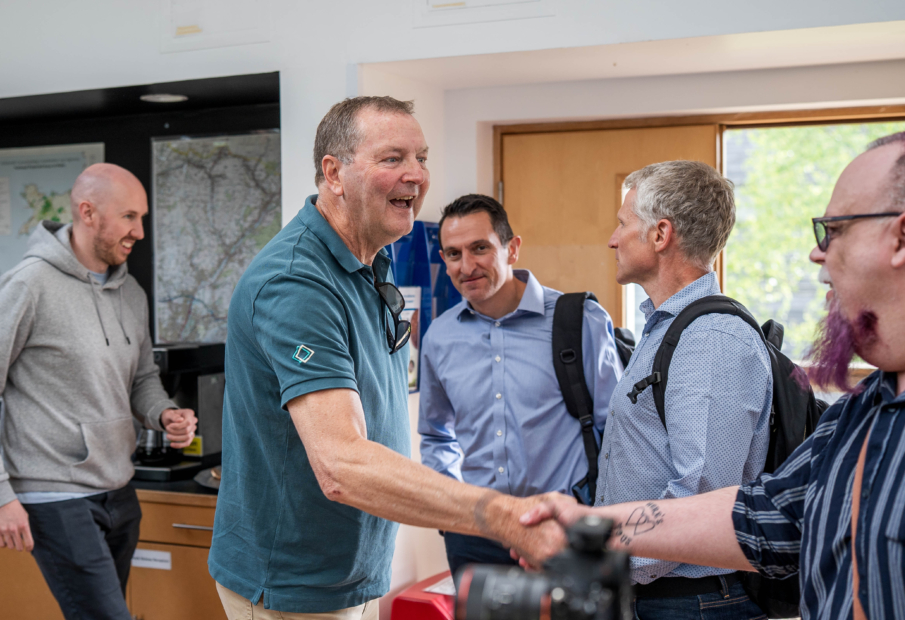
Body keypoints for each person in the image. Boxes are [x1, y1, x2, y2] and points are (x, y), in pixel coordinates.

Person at [521, 131, 905, 620]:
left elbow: (701, 486)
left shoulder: (712, 336)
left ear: (903, 237)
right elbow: (767, 517)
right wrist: (589, 527)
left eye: (833, 230)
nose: (816, 255)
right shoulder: (864, 408)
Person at [208, 97, 564, 620]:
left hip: (354, 574)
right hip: (294, 585)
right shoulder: (295, 283)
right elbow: (342, 465)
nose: (417, 175)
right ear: (334, 173)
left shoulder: (372, 258)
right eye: (393, 158)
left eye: (421, 158)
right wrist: (500, 517)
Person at [0, 163, 198, 620]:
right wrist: (3, 496)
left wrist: (164, 413)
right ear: (88, 213)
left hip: (118, 489)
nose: (140, 231)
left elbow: (143, 378)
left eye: (142, 217)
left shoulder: (131, 293)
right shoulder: (29, 286)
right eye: (129, 217)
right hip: (53, 494)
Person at [580, 161, 774, 618]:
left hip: (694, 601)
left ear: (660, 235)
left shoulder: (711, 339)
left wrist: (607, 558)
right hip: (660, 596)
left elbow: (700, 499)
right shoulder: (667, 328)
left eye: (624, 223)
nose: (612, 238)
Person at [418, 193, 622, 576]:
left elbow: (618, 430)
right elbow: (435, 435)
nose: (467, 266)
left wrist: (601, 515)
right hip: (475, 532)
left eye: (480, 248)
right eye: (453, 253)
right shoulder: (439, 337)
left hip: (562, 528)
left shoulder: (580, 320)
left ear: (512, 249)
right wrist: (452, 510)